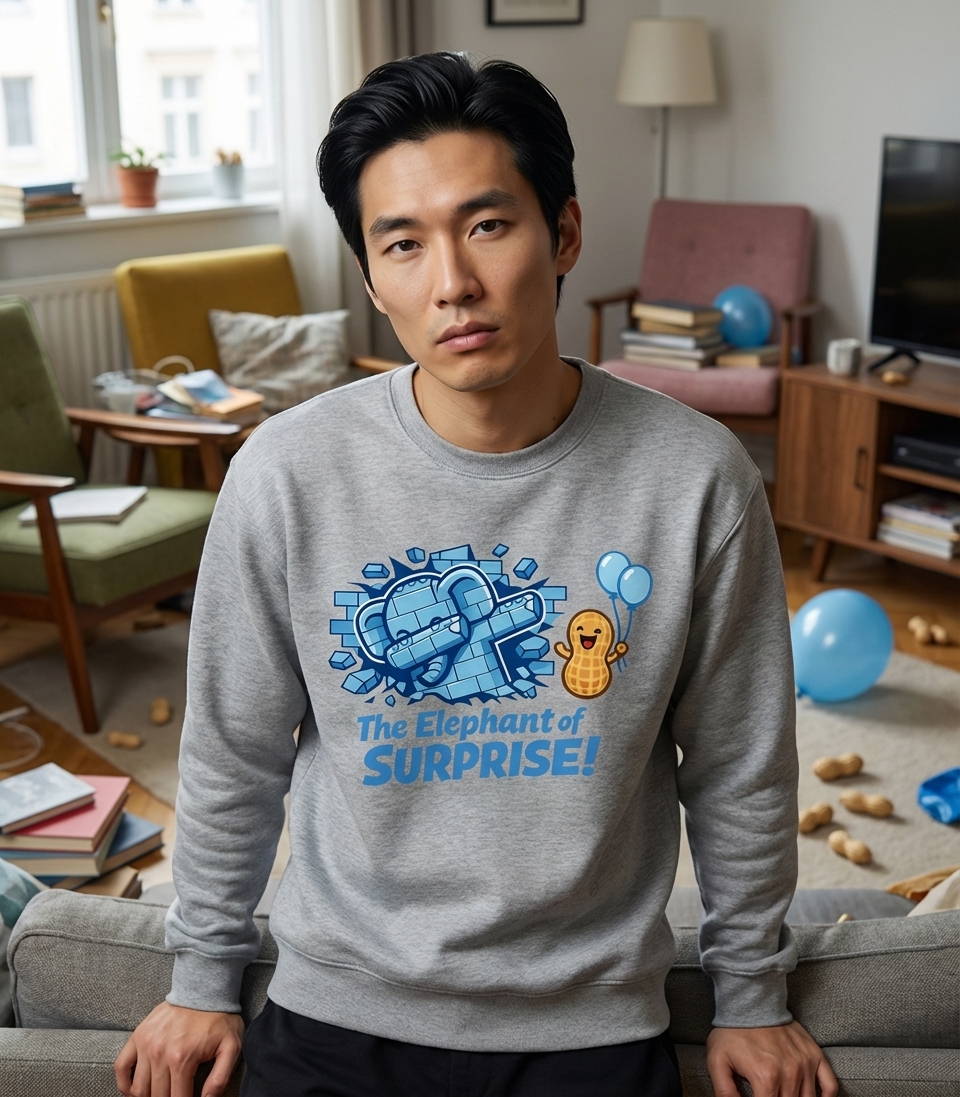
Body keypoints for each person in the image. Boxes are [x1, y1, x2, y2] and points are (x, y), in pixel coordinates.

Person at [115, 52, 838, 1097]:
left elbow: (740, 764)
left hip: (591, 1022)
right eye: (402, 243)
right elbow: (234, 750)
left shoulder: (696, 478)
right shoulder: (285, 473)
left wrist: (753, 996)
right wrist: (199, 978)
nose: (451, 281)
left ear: (565, 233)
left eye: (488, 224)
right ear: (372, 278)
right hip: (336, 1004)